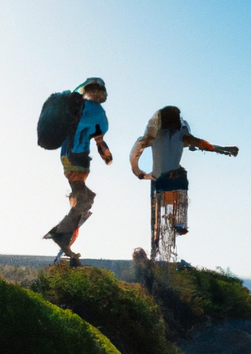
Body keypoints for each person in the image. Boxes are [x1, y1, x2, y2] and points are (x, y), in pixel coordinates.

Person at [129, 105, 237, 261]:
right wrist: (225, 150)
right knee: (180, 176)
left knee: (157, 217)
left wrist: (139, 172)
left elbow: (135, 153)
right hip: (172, 179)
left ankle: (164, 236)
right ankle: (179, 221)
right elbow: (203, 144)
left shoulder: (155, 135)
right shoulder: (179, 134)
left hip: (159, 179)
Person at [43, 77, 112, 264]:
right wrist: (107, 156)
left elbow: (96, 139)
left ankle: (66, 231)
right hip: (77, 159)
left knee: (87, 197)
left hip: (69, 157)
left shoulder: (74, 106)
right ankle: (61, 235)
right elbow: (99, 140)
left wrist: (104, 153)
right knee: (83, 200)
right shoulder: (96, 111)